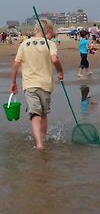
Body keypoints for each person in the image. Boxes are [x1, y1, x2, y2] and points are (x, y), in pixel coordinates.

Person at [9, 19, 64, 149]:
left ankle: (39, 143)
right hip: (45, 85)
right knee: (43, 114)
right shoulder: (49, 43)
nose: (52, 36)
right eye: (52, 33)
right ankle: (42, 139)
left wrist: (13, 82)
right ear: (48, 30)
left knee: (35, 113)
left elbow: (15, 66)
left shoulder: (24, 44)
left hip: (29, 85)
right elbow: (54, 59)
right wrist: (60, 71)